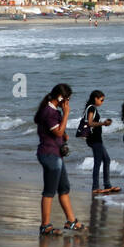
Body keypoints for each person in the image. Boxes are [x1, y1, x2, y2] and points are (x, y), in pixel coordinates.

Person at [34, 84, 84, 235]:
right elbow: (58, 132)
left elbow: (60, 133)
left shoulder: (53, 111)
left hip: (56, 154)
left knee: (64, 188)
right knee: (49, 191)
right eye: (67, 99)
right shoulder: (49, 112)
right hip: (49, 154)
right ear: (60, 98)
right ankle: (45, 226)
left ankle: (71, 221)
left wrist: (64, 135)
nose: (68, 103)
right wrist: (67, 113)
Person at [82, 90, 117, 194]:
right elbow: (90, 123)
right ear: (96, 98)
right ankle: (95, 187)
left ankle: (107, 185)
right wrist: (103, 123)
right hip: (94, 139)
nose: (102, 102)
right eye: (101, 100)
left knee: (106, 160)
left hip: (96, 139)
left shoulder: (91, 108)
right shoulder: (91, 108)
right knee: (98, 162)